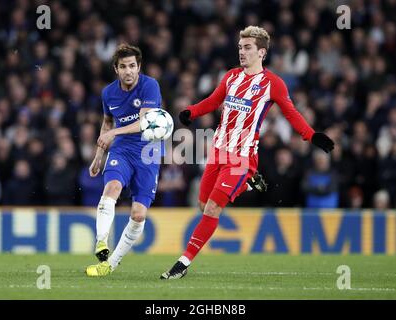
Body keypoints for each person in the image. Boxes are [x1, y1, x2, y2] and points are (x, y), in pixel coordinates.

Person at [161, 26, 334, 279]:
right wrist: (192, 111)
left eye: (248, 48)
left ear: (261, 52)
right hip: (218, 152)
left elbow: (291, 113)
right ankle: (248, 184)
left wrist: (311, 135)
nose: (242, 52)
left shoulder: (272, 83)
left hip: (242, 157)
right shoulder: (231, 76)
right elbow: (213, 100)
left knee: (212, 209)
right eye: (240, 47)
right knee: (202, 205)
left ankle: (182, 263)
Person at [85, 44, 163, 276]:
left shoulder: (150, 85)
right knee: (112, 187)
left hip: (148, 152)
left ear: (139, 67)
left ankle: (111, 264)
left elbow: (143, 123)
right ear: (116, 69)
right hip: (121, 150)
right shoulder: (108, 93)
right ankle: (101, 242)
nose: (128, 71)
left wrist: (113, 133)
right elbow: (107, 122)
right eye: (123, 67)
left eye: (132, 66)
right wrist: (99, 156)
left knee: (138, 214)